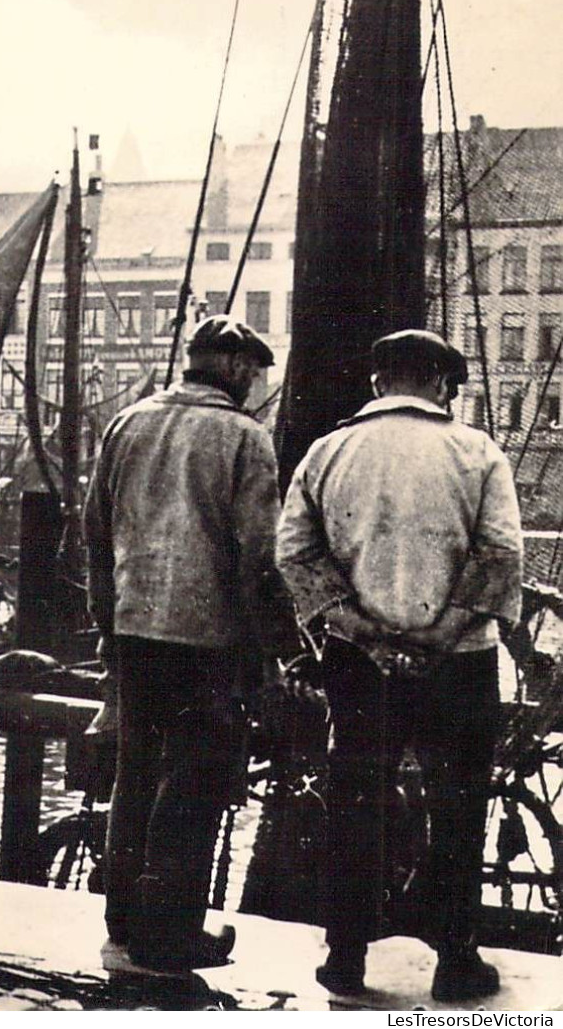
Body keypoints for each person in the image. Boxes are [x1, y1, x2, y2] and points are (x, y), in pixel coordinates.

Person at [277, 329, 522, 1001]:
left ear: (378, 381)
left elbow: (295, 554)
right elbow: (500, 555)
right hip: (458, 662)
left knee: (354, 801)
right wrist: (440, 632)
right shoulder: (477, 452)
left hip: (360, 663)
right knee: (457, 804)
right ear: (442, 384)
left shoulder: (326, 451)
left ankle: (346, 955)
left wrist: (365, 632)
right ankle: (454, 958)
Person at [84, 316, 283, 973]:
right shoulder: (243, 438)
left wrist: (107, 629)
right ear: (233, 368)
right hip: (207, 640)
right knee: (192, 781)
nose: (256, 386)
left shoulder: (127, 423)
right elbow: (258, 559)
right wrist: (270, 651)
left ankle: (123, 923)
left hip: (135, 629)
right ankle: (169, 934)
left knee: (135, 771)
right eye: (253, 374)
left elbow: (92, 534)